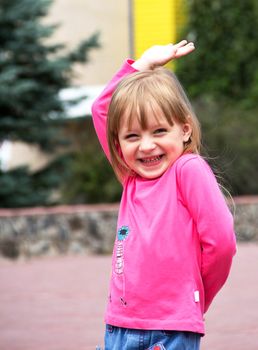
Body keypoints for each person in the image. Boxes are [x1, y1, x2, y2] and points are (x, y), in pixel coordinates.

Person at [92, 40, 236, 350]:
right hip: (119, 324)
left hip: (171, 330)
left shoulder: (188, 170)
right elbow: (102, 109)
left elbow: (222, 244)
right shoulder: (130, 177)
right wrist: (142, 64)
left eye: (159, 131)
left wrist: (195, 296)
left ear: (184, 130)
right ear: (118, 144)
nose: (146, 146)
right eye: (132, 136)